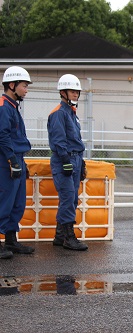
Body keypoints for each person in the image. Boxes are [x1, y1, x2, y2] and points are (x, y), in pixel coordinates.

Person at [47, 74, 88, 251]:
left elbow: (74, 139)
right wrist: (65, 161)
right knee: (68, 198)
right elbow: (58, 140)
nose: (76, 95)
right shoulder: (59, 113)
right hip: (65, 159)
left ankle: (60, 235)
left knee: (71, 199)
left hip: (75, 158)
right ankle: (68, 237)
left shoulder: (71, 113)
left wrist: (81, 162)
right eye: (72, 91)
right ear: (63, 92)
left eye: (77, 92)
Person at [0, 66, 35, 259]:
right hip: (6, 161)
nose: (26, 89)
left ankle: (11, 240)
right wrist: (13, 160)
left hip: (16, 159)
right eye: (24, 85)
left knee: (17, 202)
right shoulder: (4, 107)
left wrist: (21, 162)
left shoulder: (13, 106)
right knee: (4, 202)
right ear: (12, 85)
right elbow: (3, 137)